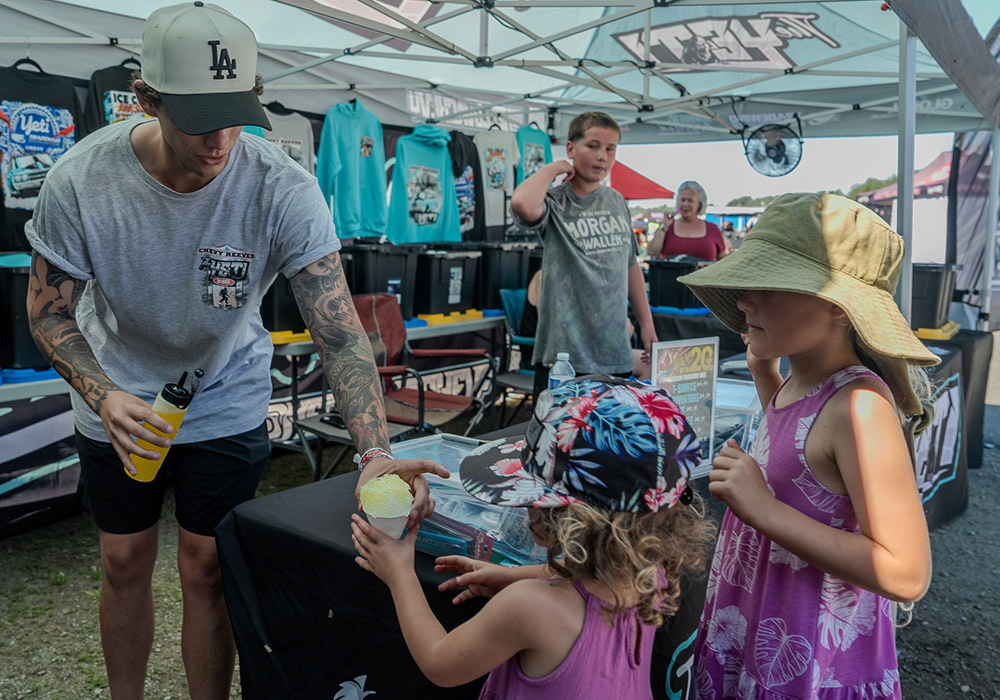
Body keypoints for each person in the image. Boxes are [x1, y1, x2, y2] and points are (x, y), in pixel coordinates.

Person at [24, 4, 444, 699]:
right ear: (148, 100)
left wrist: (374, 452)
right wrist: (103, 394)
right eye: (197, 116)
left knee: (208, 566)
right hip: (118, 390)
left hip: (225, 396)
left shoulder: (282, 187)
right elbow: (47, 311)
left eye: (235, 112)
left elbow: (338, 331)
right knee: (124, 561)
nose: (220, 138)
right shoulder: (82, 179)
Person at [677, 192, 938, 698]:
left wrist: (763, 510)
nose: (746, 299)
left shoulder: (861, 408)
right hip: (760, 622)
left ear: (839, 307)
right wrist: (766, 377)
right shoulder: (803, 382)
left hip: (812, 659)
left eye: (768, 288)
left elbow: (907, 573)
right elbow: (806, 458)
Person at [350, 375, 715, 699]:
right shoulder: (650, 569)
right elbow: (590, 584)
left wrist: (399, 573)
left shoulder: (529, 606)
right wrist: (511, 575)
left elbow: (440, 663)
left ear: (568, 519)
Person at [510, 111, 657, 400]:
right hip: (565, 356)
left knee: (608, 438)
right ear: (570, 148)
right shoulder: (555, 201)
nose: (602, 155)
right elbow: (522, 203)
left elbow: (630, 266)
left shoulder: (617, 202)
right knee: (558, 439)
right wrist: (554, 169)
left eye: (610, 148)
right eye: (592, 145)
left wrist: (647, 323)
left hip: (614, 351)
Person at [521, 270, 650, 381]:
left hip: (589, 352)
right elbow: (555, 330)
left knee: (650, 365)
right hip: (554, 357)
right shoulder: (543, 276)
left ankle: (620, 405)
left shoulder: (583, 279)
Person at [646, 181, 730, 261]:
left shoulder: (713, 229)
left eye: (690, 200)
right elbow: (652, 252)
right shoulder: (668, 227)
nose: (685, 204)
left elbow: (722, 259)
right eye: (682, 200)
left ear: (699, 204)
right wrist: (664, 227)